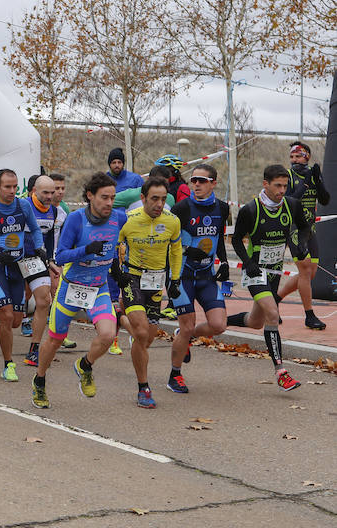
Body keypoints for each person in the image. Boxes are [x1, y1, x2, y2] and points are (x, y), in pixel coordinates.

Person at [32, 173, 126, 409]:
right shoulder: (75, 220)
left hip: (99, 287)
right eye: (104, 197)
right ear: (90, 196)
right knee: (55, 340)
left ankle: (85, 365)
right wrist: (86, 249)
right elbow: (61, 256)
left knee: (107, 334)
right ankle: (40, 380)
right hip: (71, 287)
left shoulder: (118, 218)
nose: (109, 203)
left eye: (112, 198)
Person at [227, 164, 310, 391]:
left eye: (285, 185)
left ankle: (217, 323)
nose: (282, 190)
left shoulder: (292, 205)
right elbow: (236, 240)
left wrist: (300, 244)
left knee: (256, 321)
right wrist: (248, 262)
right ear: (266, 184)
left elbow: (304, 228)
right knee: (273, 315)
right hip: (255, 272)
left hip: (273, 272)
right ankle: (281, 372)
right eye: (277, 186)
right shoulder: (250, 209)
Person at [114, 176, 183, 409]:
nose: (159, 204)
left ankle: (120, 319)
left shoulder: (172, 221)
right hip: (132, 278)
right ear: (143, 198)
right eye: (154, 199)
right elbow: (114, 245)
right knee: (142, 333)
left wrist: (175, 279)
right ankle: (143, 387)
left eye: (163, 199)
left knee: (148, 338)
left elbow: (176, 251)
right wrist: (117, 272)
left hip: (156, 281)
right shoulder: (128, 219)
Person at [0, 169, 44, 382]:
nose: (12, 191)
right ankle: (8, 364)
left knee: (15, 321)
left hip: (17, 267)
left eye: (15, 186)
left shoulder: (23, 205)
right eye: (7, 186)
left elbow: (35, 229)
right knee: (6, 316)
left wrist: (40, 248)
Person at [168, 164, 230, 393]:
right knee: (187, 325)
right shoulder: (182, 208)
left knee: (218, 325)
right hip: (182, 275)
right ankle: (175, 375)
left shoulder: (222, 208)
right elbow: (168, 243)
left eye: (202, 181)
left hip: (206, 276)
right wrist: (185, 251)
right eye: (194, 180)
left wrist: (223, 262)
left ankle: (183, 337)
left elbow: (219, 238)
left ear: (214, 183)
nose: (196, 185)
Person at [277, 141, 329, 329]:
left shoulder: (313, 174)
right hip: (294, 228)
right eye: (291, 156)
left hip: (310, 228)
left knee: (309, 274)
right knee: (305, 270)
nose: (294, 160)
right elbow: (291, 200)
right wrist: (306, 182)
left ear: (307, 156)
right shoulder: (288, 176)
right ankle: (309, 315)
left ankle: (275, 300)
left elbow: (325, 199)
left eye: (298, 156)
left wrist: (318, 179)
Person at [22, 175, 70, 366]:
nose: (51, 196)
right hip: (16, 259)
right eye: (46, 192)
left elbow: (50, 239)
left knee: (44, 301)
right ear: (34, 191)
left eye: (53, 192)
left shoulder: (57, 212)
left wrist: (50, 261)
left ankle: (34, 350)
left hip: (36, 261)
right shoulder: (23, 207)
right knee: (14, 314)